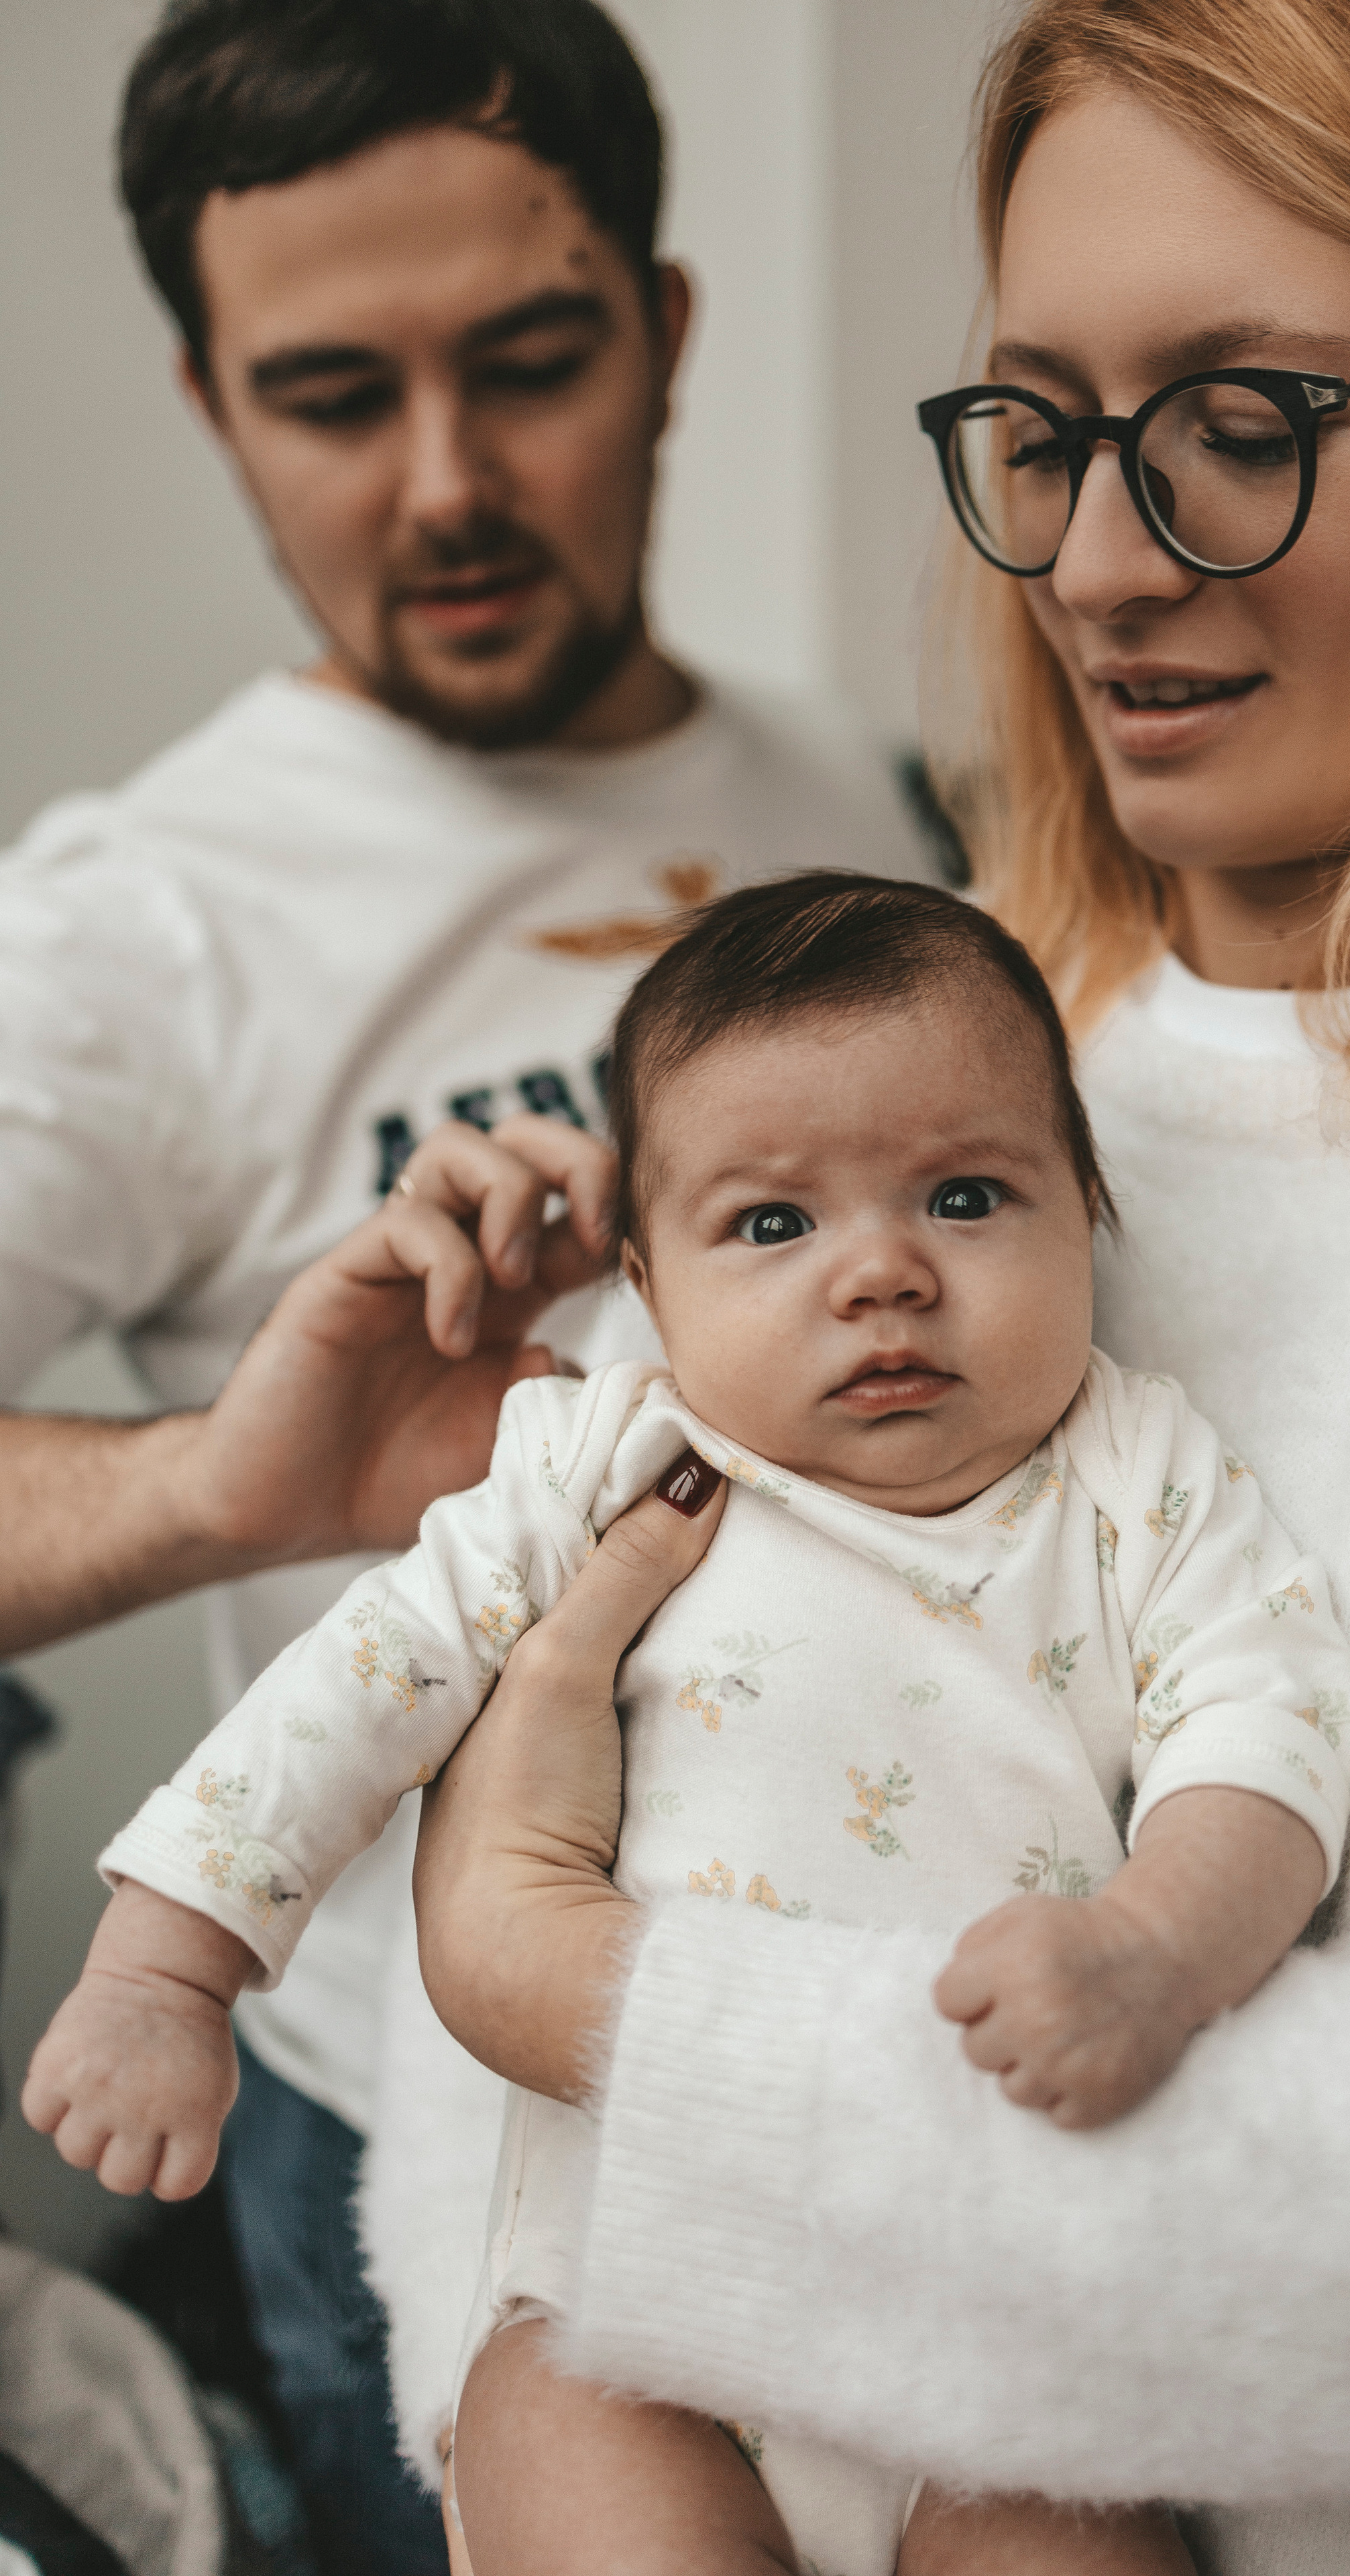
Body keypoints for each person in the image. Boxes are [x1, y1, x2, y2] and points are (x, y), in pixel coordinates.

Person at [360, 0, 1350, 2569]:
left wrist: (625, 2031)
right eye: (1046, 427)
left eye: (1248, 421)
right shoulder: (953, 1068)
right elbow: (554, 1891)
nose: (1100, 559)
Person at [0, 2, 933, 2565]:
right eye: (329, 395)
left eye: (530, 363)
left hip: (881, 2068)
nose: (445, 487)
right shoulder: (132, 933)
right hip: (415, 2159)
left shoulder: (859, 791)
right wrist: (222, 1484)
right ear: (211, 406)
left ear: (667, 327)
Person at [29, 874, 1350, 2576]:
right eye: (771, 1226)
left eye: (964, 1197)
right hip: (630, 2295)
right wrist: (167, 1965)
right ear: (647, 1290)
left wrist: (1156, 1951)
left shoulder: (1134, 1476)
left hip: (1007, 2295)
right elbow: (356, 1686)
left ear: (1084, 1214)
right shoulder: (601, 1465)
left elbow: (1268, 1725)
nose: (881, 1272)